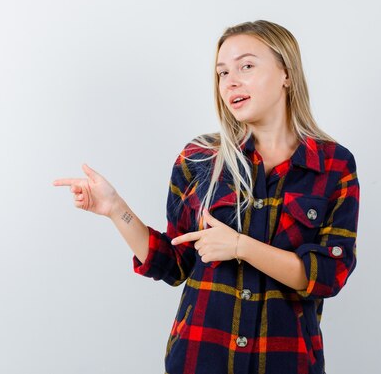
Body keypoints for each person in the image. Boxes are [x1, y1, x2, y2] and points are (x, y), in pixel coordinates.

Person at [53, 20, 360, 374]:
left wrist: (240, 246)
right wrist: (114, 209)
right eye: (222, 72)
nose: (231, 81)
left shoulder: (334, 164)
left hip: (286, 362)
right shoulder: (199, 158)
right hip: (200, 360)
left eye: (246, 66)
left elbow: (327, 276)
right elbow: (174, 264)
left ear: (286, 73)